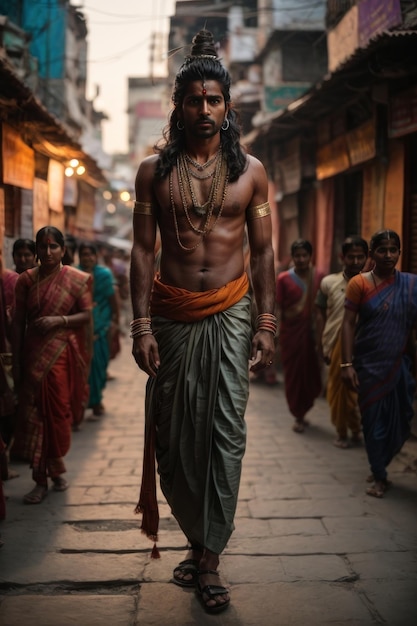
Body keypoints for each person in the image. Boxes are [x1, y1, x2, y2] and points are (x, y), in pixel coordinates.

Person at [130, 29, 275, 614]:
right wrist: (140, 328)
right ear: (179, 105)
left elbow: (264, 252)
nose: (205, 109)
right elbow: (143, 252)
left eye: (215, 99)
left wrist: (266, 322)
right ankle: (197, 541)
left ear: (228, 106)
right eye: (195, 100)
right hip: (170, 317)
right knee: (178, 436)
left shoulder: (253, 173)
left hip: (233, 312)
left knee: (223, 437)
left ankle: (210, 559)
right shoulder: (152, 173)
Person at [11, 227, 92, 504]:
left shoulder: (75, 279)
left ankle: (54, 469)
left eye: (53, 247)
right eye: (42, 247)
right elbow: (17, 323)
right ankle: (40, 478)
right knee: (35, 415)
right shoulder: (25, 281)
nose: (47, 253)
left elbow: (86, 314)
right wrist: (17, 363)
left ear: (63, 250)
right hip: (32, 355)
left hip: (59, 355)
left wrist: (60, 321)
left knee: (55, 414)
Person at [341, 229, 417, 498]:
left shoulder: (411, 285)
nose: (388, 255)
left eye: (393, 250)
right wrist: (346, 365)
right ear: (371, 254)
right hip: (369, 367)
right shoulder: (359, 284)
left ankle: (380, 465)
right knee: (373, 423)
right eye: (382, 250)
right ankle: (380, 475)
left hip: (400, 366)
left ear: (399, 252)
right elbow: (348, 325)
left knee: (402, 420)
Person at [315, 236, 368, 448]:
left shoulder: (370, 284)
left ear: (367, 258)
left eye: (360, 257)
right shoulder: (329, 282)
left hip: (361, 345)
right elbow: (320, 313)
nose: (356, 262)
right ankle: (341, 431)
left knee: (354, 391)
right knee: (336, 388)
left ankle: (356, 430)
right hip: (334, 342)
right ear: (342, 257)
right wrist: (322, 343)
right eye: (351, 257)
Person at [276, 239, 323, 433]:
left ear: (310, 256)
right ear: (293, 257)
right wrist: (275, 334)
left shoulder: (319, 277)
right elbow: (278, 308)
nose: (301, 259)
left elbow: (322, 309)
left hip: (312, 334)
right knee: (294, 375)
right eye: (297, 256)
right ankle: (298, 414)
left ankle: (305, 409)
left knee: (311, 374)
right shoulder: (283, 279)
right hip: (291, 335)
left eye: (305, 255)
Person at [78, 242, 119, 417]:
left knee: (100, 365)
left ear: (96, 256)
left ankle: (96, 401)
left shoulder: (104, 275)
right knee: (82, 367)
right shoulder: (74, 274)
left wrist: (115, 322)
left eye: (90, 254)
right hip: (81, 327)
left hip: (101, 327)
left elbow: (113, 299)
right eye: (84, 254)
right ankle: (82, 402)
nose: (87, 258)